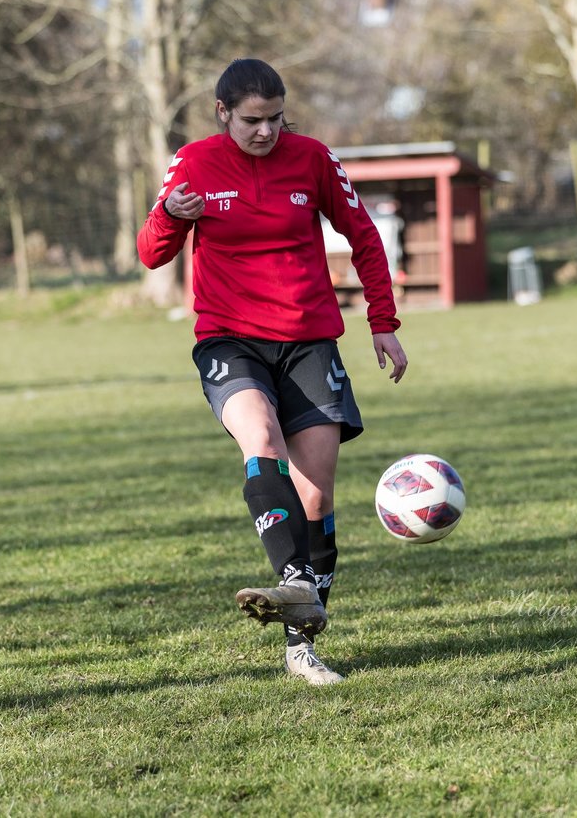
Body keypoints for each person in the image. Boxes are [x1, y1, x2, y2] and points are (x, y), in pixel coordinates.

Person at [137, 58, 408, 685]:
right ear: (223, 113)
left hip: (309, 341)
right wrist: (172, 216)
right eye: (252, 121)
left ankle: (300, 645)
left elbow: (362, 234)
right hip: (229, 338)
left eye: (276, 118)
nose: (266, 132)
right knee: (260, 440)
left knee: (316, 495)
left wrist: (383, 321)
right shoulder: (193, 163)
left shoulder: (311, 158)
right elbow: (151, 254)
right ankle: (293, 582)